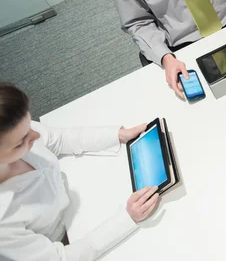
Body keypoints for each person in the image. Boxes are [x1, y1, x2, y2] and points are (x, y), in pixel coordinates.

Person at [0, 83, 159, 260]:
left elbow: (58, 140)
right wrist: (127, 218)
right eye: (22, 141)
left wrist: (117, 135)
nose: (36, 136)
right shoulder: (3, 226)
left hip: (74, 201)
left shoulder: (13, 128)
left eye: (30, 125)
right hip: (64, 242)